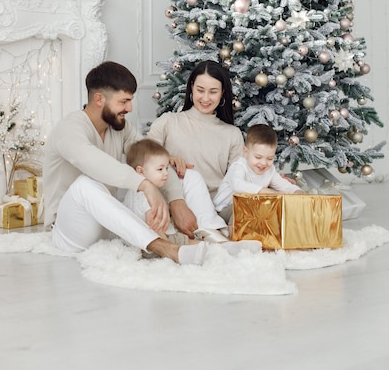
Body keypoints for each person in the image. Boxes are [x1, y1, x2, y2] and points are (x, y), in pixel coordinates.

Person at [43, 61, 206, 266]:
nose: (129, 108)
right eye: (123, 101)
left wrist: (176, 200)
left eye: (130, 101)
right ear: (99, 99)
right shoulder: (69, 128)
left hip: (107, 228)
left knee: (172, 171)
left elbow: (149, 158)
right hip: (67, 232)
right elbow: (93, 162)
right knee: (86, 184)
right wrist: (145, 185)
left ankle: (209, 238)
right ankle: (165, 248)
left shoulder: (120, 127)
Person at [124, 137, 262, 255]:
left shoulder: (148, 189)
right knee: (182, 241)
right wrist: (167, 248)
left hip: (158, 237)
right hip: (152, 243)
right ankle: (220, 249)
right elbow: (154, 227)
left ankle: (220, 247)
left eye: (167, 168)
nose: (166, 173)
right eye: (160, 169)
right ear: (140, 171)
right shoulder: (144, 195)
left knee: (183, 239)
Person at [148, 60, 244, 201]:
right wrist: (167, 159)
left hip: (216, 207)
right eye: (200, 90)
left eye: (213, 92)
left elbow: (241, 180)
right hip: (175, 203)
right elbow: (142, 157)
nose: (205, 98)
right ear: (192, 87)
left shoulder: (232, 134)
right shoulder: (168, 121)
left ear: (222, 92)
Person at [213, 124, 305, 223]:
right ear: (246, 152)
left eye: (270, 158)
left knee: (269, 210)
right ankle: (233, 236)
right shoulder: (239, 166)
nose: (263, 163)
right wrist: (266, 192)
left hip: (251, 208)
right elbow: (238, 185)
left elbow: (284, 185)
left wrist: (297, 193)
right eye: (258, 157)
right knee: (243, 207)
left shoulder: (270, 171)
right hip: (224, 210)